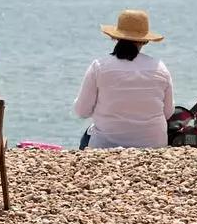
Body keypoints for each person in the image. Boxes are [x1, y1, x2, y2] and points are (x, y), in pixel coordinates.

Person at [74, 9, 174, 149]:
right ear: (145, 41)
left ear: (115, 37)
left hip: (105, 145)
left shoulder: (99, 66)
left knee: (88, 135)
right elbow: (168, 113)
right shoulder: (160, 68)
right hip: (154, 145)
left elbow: (81, 111)